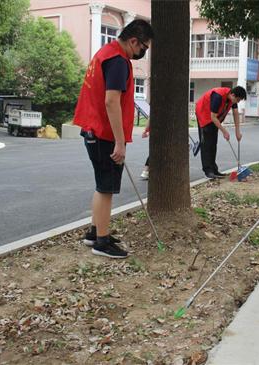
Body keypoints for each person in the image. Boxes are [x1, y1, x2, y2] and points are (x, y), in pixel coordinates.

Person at [73, 19, 154, 259]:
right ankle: (102, 242)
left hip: (94, 129)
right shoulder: (118, 61)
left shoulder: (105, 52)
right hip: (103, 133)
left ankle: (94, 231)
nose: (143, 53)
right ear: (133, 41)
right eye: (143, 48)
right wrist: (120, 142)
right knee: (105, 188)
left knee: (102, 185)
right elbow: (111, 101)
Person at [195, 86, 246, 179]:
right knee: (206, 144)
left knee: (213, 143)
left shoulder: (231, 98)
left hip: (214, 118)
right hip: (204, 114)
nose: (237, 102)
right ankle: (208, 171)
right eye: (238, 100)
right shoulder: (218, 96)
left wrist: (237, 131)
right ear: (233, 95)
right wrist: (224, 131)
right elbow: (213, 117)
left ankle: (214, 170)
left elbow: (235, 113)